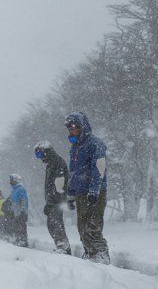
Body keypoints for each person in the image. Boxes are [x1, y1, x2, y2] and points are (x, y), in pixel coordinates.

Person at [65, 111, 110, 264]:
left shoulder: (95, 144)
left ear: (82, 127)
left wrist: (94, 190)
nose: (71, 132)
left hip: (95, 192)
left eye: (74, 128)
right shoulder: (75, 148)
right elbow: (73, 172)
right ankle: (91, 254)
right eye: (69, 129)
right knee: (82, 227)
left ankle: (101, 256)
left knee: (93, 227)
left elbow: (99, 167)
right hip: (80, 193)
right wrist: (70, 194)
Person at [34, 141, 72, 255]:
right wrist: (49, 202)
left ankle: (63, 247)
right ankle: (61, 245)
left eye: (40, 155)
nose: (40, 158)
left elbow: (59, 184)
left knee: (55, 223)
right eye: (38, 156)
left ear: (47, 152)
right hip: (53, 201)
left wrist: (52, 202)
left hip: (58, 200)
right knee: (51, 224)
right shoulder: (51, 164)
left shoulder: (57, 162)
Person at [6, 174, 29, 247]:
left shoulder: (21, 189)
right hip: (15, 213)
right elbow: (11, 201)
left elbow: (24, 200)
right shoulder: (14, 190)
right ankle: (19, 240)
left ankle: (23, 241)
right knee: (16, 227)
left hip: (21, 213)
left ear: (15, 180)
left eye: (11, 180)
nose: (10, 181)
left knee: (21, 227)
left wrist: (23, 211)